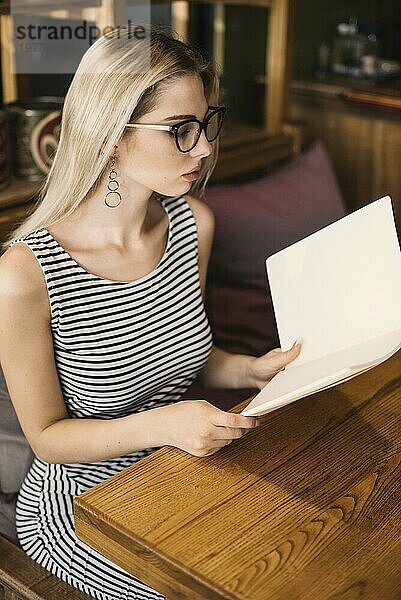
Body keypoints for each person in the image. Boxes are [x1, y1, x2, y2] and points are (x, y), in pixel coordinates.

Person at [0, 24, 300, 600]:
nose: (206, 148)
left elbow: (190, 357)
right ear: (109, 134)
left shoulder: (193, 225)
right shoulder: (25, 273)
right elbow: (46, 438)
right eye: (180, 131)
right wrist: (167, 424)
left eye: (206, 124)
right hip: (81, 504)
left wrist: (250, 369)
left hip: (185, 465)